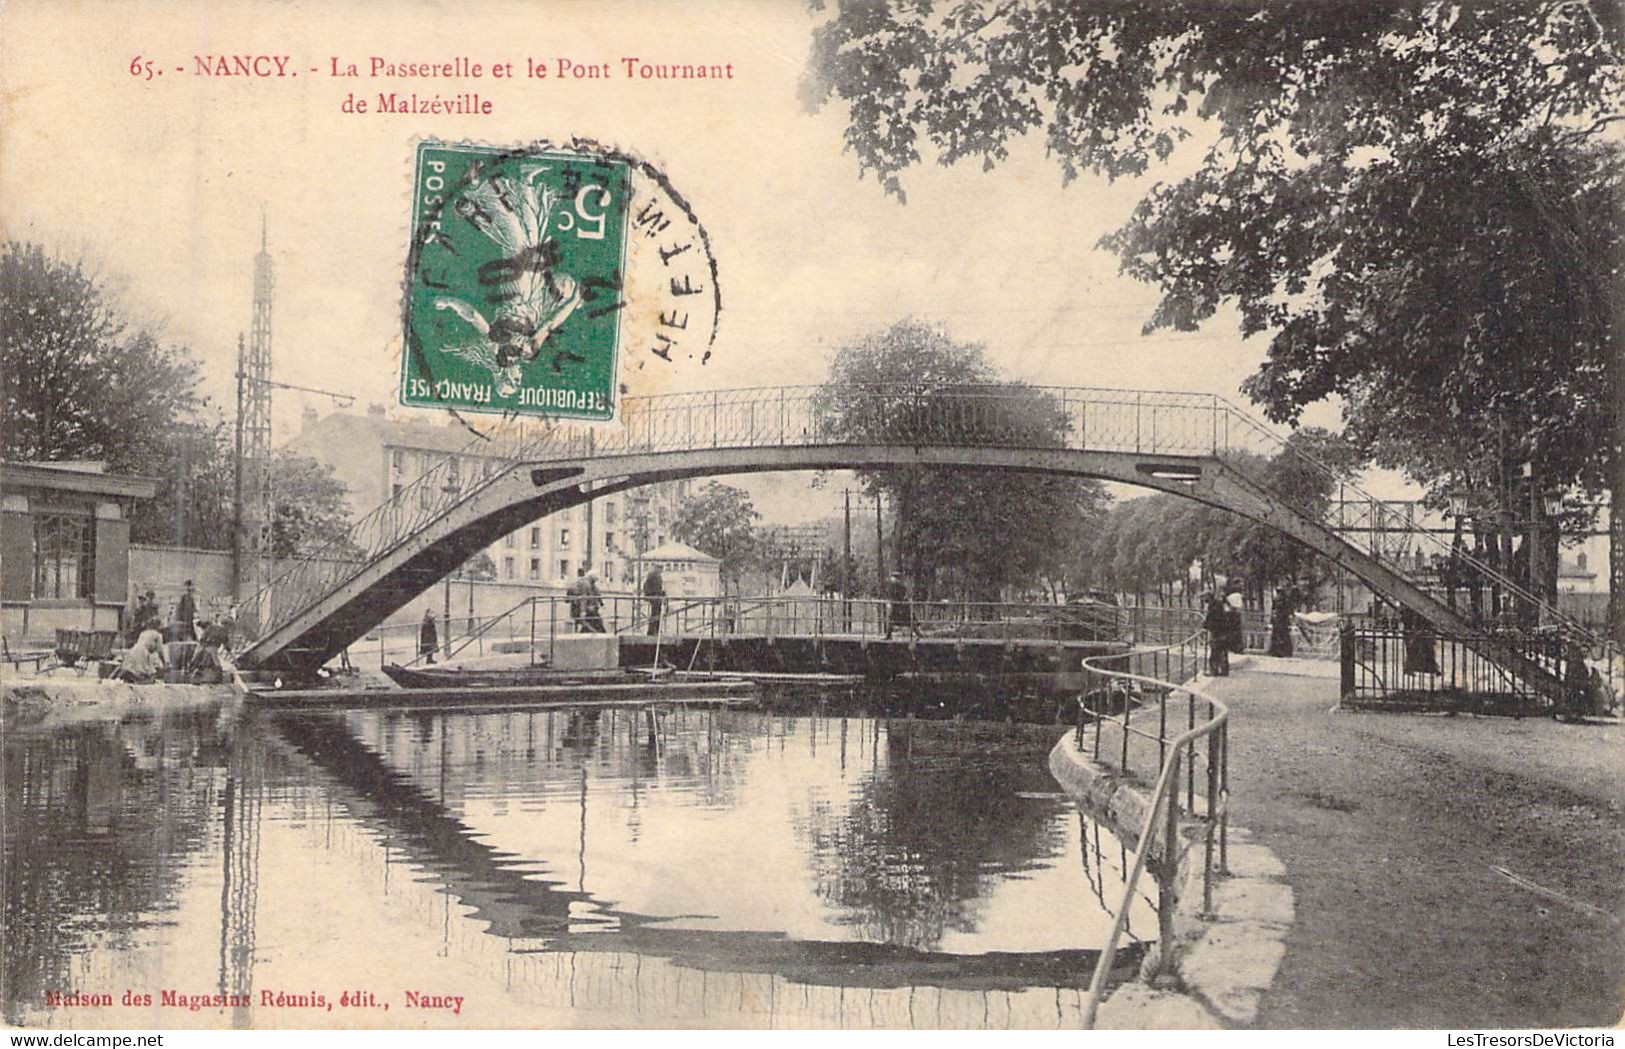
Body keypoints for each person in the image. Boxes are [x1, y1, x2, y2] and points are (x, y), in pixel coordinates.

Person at [1202, 591, 1230, 676]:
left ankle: (1214, 671)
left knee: (1215, 651)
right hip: (1223, 630)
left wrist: (1205, 627)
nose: (1204, 600)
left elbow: (1210, 618)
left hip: (1217, 631)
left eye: (1204, 597)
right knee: (1222, 651)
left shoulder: (1214, 607)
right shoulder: (1218, 604)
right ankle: (1224, 670)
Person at [884, 571, 915, 641]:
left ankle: (919, 634)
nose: (891, 579)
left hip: (902, 607)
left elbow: (901, 597)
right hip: (897, 607)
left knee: (909, 620)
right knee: (891, 619)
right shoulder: (894, 586)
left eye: (893, 577)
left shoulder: (901, 586)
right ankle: (888, 635)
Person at [1267, 585, 1296, 657]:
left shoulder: (1276, 599)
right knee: (1283, 635)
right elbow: (1289, 609)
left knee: (1277, 635)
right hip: (1282, 620)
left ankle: (1276, 651)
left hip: (1278, 620)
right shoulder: (1285, 599)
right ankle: (1284, 652)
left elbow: (1273, 610)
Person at [642, 565, 666, 636]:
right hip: (654, 598)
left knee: (657, 614)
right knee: (654, 614)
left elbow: (659, 588)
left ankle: (655, 630)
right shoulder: (652, 576)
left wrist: (662, 593)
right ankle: (652, 631)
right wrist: (652, 594)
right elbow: (647, 587)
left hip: (657, 598)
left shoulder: (658, 577)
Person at [567, 567, 592, 631]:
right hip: (584, 605)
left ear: (578, 574)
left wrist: (569, 599)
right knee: (584, 620)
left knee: (576, 620)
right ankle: (588, 631)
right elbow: (590, 595)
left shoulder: (573, 582)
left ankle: (576, 631)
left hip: (575, 605)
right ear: (584, 574)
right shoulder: (587, 583)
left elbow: (569, 593)